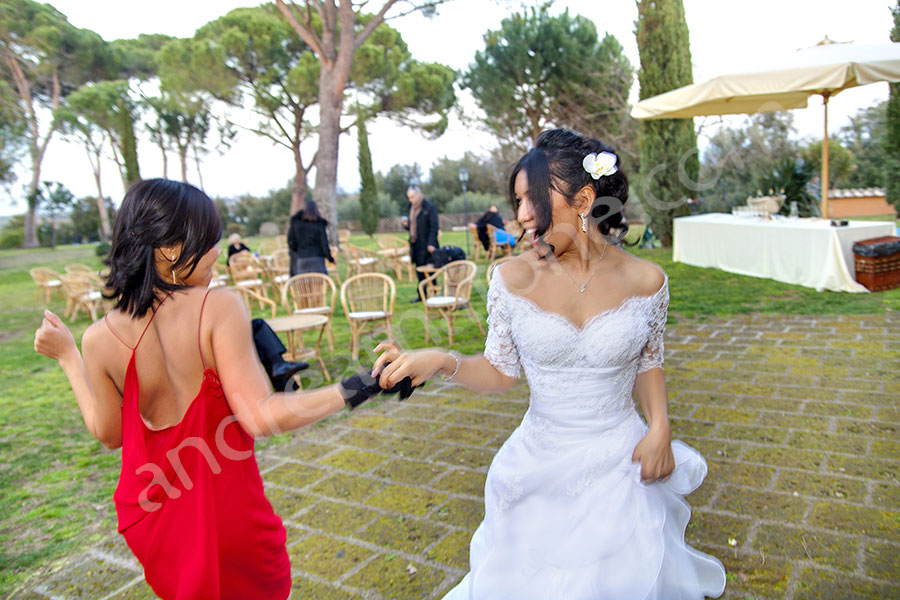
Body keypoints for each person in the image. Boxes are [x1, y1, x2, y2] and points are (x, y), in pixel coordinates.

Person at [373, 130, 726, 599]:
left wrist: (660, 426)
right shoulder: (510, 279)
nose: (520, 216)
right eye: (517, 201)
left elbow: (649, 362)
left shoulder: (648, 280)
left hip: (621, 466)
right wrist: (441, 360)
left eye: (532, 199)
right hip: (536, 465)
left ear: (583, 199)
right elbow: (500, 373)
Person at [33, 178, 414, 600]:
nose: (218, 252)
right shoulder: (218, 306)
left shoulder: (96, 339)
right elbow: (261, 415)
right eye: (209, 239)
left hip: (157, 524)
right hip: (231, 524)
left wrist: (69, 357)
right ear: (171, 249)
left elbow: (108, 434)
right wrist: (358, 385)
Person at [403, 185, 439, 301]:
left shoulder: (429, 208)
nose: (410, 200)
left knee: (430, 271)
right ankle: (421, 295)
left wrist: (431, 243)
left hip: (427, 245)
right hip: (415, 244)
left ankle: (434, 294)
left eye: (412, 197)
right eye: (409, 197)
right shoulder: (410, 207)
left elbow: (434, 227)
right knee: (419, 271)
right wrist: (406, 225)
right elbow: (413, 226)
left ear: (419, 195)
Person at [287, 199, 335, 276]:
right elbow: (324, 244)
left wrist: (299, 250)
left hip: (302, 258)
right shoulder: (319, 224)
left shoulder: (296, 224)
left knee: (304, 286)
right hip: (317, 258)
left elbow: (291, 242)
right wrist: (330, 258)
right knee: (318, 286)